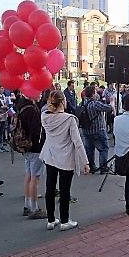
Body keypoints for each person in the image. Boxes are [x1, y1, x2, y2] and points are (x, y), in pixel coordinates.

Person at [40, 90, 90, 231]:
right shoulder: (69, 119)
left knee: (50, 187)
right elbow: (77, 142)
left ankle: (50, 219)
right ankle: (64, 220)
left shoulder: (44, 117)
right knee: (64, 189)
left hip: (50, 155)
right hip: (65, 157)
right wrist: (85, 162)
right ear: (62, 102)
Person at [17, 94, 47, 219]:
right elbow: (36, 131)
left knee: (28, 175)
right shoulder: (33, 111)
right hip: (35, 147)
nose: (40, 95)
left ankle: (27, 205)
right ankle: (34, 208)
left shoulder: (22, 108)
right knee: (35, 178)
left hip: (25, 146)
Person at [82, 85, 113, 174]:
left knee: (89, 149)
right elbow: (108, 108)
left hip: (86, 130)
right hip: (98, 129)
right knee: (104, 148)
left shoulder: (83, 103)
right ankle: (103, 167)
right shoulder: (95, 103)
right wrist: (111, 102)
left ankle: (91, 166)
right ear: (93, 94)